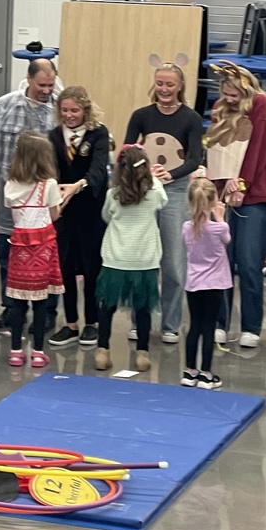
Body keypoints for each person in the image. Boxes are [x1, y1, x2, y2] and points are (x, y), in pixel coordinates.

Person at [0, 58, 60, 332]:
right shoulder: (6, 105)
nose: (46, 90)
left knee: (44, 256)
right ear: (29, 79)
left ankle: (46, 311)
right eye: (41, 85)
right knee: (7, 251)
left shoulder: (58, 107)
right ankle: (11, 308)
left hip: (43, 193)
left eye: (50, 85)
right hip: (8, 189)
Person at [123, 61, 203, 343]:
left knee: (173, 262)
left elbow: (195, 158)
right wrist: (142, 170)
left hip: (177, 191)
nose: (165, 89)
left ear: (180, 86)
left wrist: (171, 173)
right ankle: (139, 320)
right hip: (144, 192)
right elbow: (127, 150)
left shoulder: (191, 119)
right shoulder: (141, 115)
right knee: (143, 260)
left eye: (170, 84)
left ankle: (170, 324)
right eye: (160, 84)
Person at [204, 60, 266, 348]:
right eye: (225, 94)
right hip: (225, 194)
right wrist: (217, 186)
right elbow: (216, 147)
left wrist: (243, 183)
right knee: (222, 260)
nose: (230, 100)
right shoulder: (222, 107)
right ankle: (220, 322)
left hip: (256, 195)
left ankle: (251, 326)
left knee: (248, 262)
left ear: (246, 89)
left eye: (235, 95)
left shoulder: (260, 106)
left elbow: (259, 149)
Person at [95, 145, 168, 374]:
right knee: (143, 309)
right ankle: (142, 354)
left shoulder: (113, 195)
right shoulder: (154, 194)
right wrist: (153, 179)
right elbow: (164, 202)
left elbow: (106, 216)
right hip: (144, 261)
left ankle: (102, 351)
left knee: (107, 306)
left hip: (115, 259)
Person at [48, 87, 109, 349]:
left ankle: (92, 323)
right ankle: (71, 322)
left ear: (85, 110)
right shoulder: (53, 136)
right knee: (65, 267)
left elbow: (98, 171)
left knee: (91, 267)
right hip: (63, 212)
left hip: (90, 210)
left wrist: (78, 186)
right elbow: (49, 169)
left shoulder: (98, 134)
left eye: (74, 110)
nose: (70, 115)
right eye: (65, 110)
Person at [2, 131, 64, 369]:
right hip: (43, 249)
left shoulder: (10, 184)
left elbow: (12, 209)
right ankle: (38, 351)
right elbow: (54, 214)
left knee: (18, 301)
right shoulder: (49, 185)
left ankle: (16, 350)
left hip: (20, 248)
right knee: (40, 302)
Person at [181, 177, 231, 390]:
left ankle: (190, 371)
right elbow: (227, 241)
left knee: (194, 326)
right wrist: (220, 217)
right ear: (212, 202)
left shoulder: (186, 227)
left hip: (194, 283)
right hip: (215, 284)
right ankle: (207, 374)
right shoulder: (220, 228)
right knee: (209, 327)